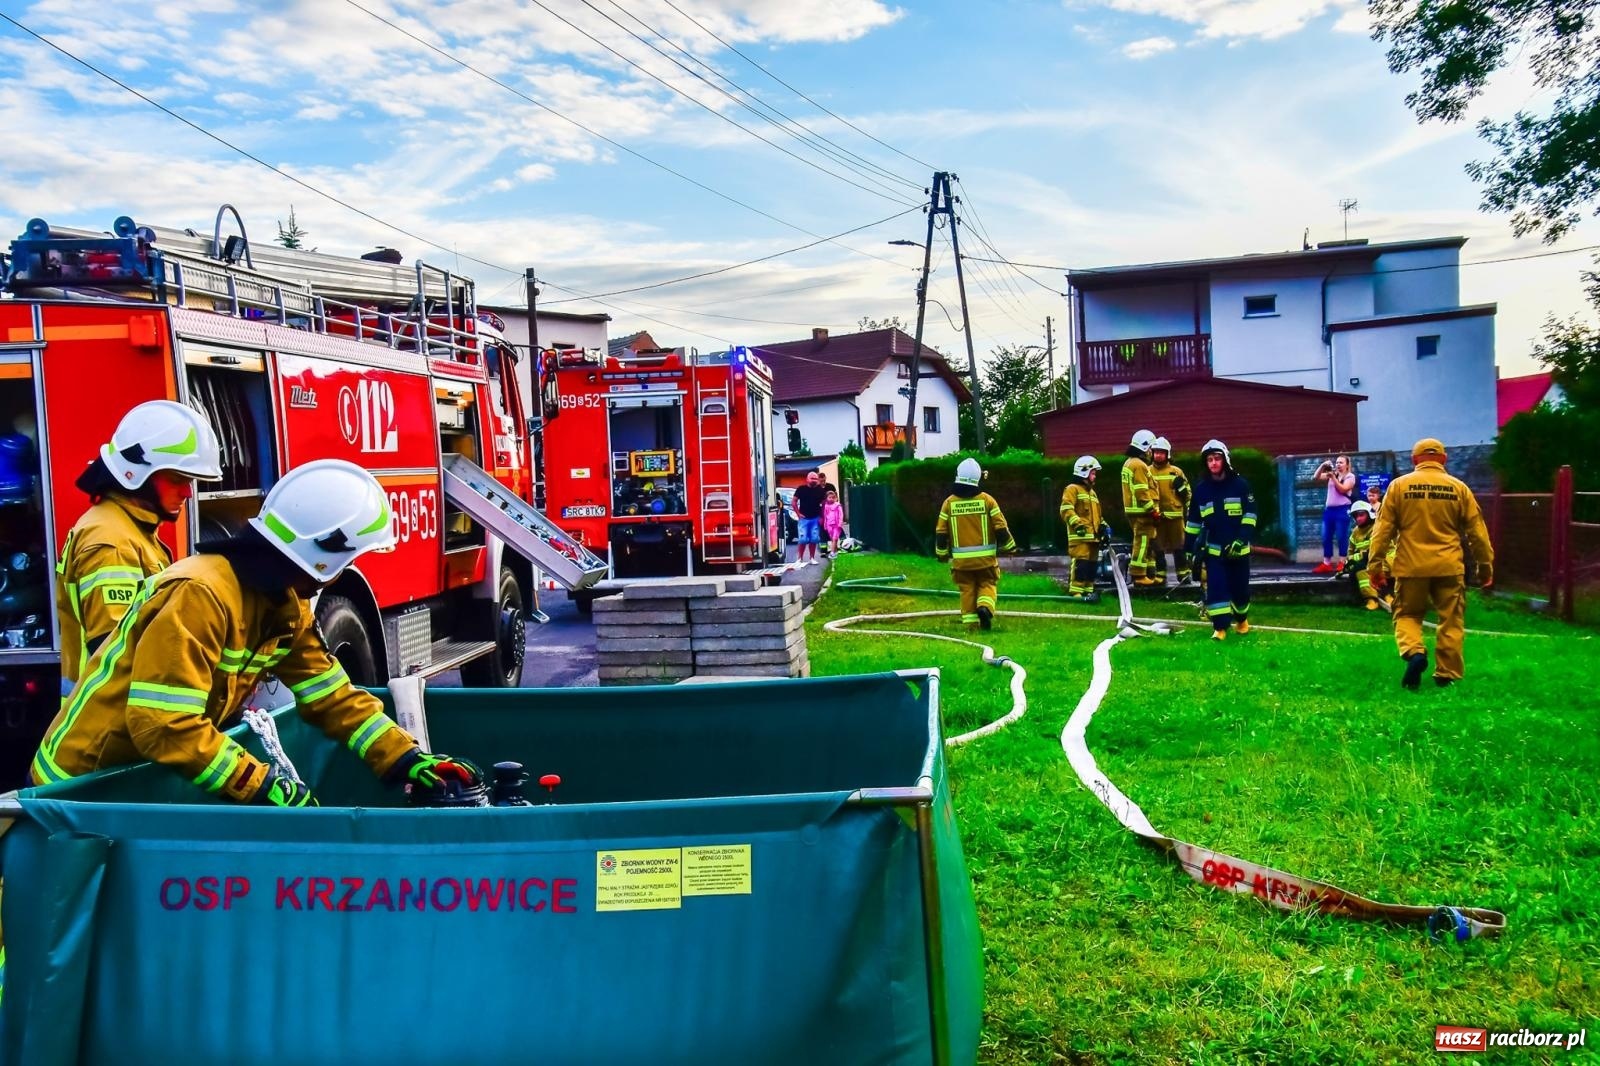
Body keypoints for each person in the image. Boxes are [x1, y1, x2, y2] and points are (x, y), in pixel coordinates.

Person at [31, 459, 478, 805]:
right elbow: (163, 725)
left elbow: (332, 697)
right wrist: (263, 785)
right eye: (350, 559)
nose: (347, 571)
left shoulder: (283, 604)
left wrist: (405, 759)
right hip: (80, 788)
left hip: (140, 782)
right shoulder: (200, 595)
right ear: (323, 556)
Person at [56, 401, 223, 702]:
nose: (187, 492)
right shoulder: (111, 542)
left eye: (190, 481)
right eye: (176, 480)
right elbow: (116, 650)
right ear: (134, 473)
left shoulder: (131, 531)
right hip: (109, 724)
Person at [1366, 438, 1494, 690]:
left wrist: (1375, 567)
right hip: (1449, 568)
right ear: (1444, 460)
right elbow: (1478, 533)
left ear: (1414, 461)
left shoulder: (1398, 487)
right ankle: (1446, 674)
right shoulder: (1459, 488)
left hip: (1411, 568)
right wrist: (1485, 567)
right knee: (1451, 619)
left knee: (1407, 614)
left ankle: (1415, 653)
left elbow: (1381, 532)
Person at [1184, 439, 1257, 641]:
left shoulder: (1241, 485)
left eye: (1217, 459)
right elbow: (1194, 522)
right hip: (1214, 552)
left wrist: (1241, 540)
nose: (1213, 463)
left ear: (1225, 460)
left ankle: (1242, 620)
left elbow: (1251, 515)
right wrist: (1188, 548)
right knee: (1216, 590)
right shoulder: (1201, 490)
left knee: (1240, 592)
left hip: (1238, 551)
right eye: (1209, 460)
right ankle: (1220, 628)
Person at [934, 457, 1016, 630]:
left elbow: (941, 532)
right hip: (986, 561)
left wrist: (942, 554)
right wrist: (1010, 547)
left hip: (961, 563)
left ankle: (971, 625)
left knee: (967, 589)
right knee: (987, 584)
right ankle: (985, 608)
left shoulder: (949, 503)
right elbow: (1001, 527)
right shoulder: (987, 500)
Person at [1059, 455, 1109, 603]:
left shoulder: (1092, 493)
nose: (1095, 476)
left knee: (1092, 565)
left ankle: (1088, 591)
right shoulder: (1072, 489)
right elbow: (1066, 509)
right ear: (1083, 472)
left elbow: (1098, 516)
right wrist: (1077, 524)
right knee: (1081, 563)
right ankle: (1076, 592)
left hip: (1093, 537)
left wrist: (1104, 527)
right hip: (1079, 537)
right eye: (1093, 473)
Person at [1148, 436, 1192, 584]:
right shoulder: (1147, 472)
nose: (1158, 455)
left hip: (1176, 517)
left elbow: (1188, 493)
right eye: (1156, 452)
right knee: (1158, 549)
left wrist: (1183, 491)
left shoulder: (1176, 472)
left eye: (1162, 452)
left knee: (1179, 547)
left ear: (1168, 454)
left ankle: (1183, 575)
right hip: (1157, 517)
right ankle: (1160, 576)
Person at [1122, 429, 1161, 586]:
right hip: (1142, 512)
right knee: (1143, 542)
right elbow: (1142, 491)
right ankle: (1138, 575)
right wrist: (1152, 509)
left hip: (1135, 511)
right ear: (1145, 448)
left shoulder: (1129, 463)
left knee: (1148, 543)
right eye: (1151, 448)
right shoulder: (1139, 465)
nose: (1152, 452)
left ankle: (1149, 574)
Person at [1314, 455, 1358, 573]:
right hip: (1329, 510)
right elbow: (1316, 477)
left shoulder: (1350, 476)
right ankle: (1326, 563)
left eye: (1341, 462)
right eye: (1337, 462)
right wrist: (1323, 465)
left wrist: (1333, 478)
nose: (1338, 464)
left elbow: (1343, 489)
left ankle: (1342, 562)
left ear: (1347, 465)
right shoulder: (1333, 474)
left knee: (1341, 536)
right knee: (1325, 536)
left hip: (1342, 509)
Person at [1343, 500, 1385, 610]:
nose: (1358, 519)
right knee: (1354, 570)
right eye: (1356, 516)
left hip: (1383, 560)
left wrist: (1355, 558)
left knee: (1361, 570)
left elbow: (1374, 551)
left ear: (1369, 514)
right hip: (1365, 561)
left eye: (1361, 515)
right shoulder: (1355, 532)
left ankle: (1373, 599)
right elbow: (1350, 551)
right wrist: (1349, 562)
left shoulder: (1376, 528)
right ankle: (1360, 600)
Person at [790, 469, 827, 566]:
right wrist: (798, 514)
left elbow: (824, 505)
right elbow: (793, 502)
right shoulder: (801, 489)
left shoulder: (820, 490)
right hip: (804, 519)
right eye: (812, 478)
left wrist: (822, 517)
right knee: (803, 539)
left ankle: (812, 558)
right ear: (807, 479)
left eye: (815, 478)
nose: (814, 480)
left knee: (814, 539)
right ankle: (800, 558)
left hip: (815, 518)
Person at [821, 487, 845, 559]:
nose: (831, 499)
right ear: (827, 498)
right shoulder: (826, 506)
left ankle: (832, 553)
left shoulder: (838, 505)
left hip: (836, 525)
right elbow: (825, 515)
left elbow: (841, 514)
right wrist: (825, 524)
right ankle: (835, 551)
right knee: (832, 538)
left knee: (835, 538)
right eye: (829, 497)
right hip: (829, 525)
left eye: (833, 497)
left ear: (835, 498)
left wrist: (840, 523)